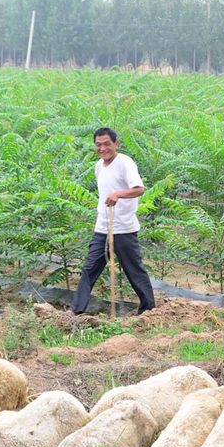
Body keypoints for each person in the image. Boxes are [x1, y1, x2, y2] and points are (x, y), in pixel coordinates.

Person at [71, 127, 156, 315]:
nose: (102, 148)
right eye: (98, 145)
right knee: (89, 268)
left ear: (116, 144)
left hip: (123, 228)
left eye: (107, 144)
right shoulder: (98, 166)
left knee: (134, 270)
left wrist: (118, 194)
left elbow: (139, 189)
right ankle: (76, 311)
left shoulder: (125, 163)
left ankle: (149, 310)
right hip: (102, 227)